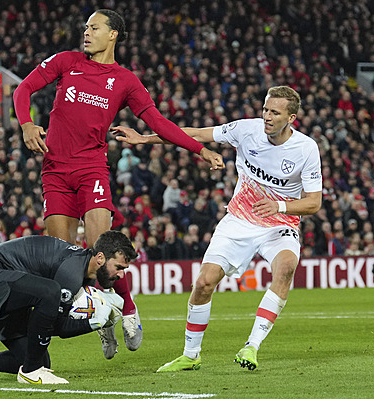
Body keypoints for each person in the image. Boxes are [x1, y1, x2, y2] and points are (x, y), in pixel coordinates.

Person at [12, 8, 225, 358]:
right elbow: (24, 88)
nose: (86, 32)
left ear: (113, 34)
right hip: (55, 172)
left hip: (91, 169)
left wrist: (199, 150)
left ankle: (127, 309)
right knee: (63, 262)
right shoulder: (66, 61)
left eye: (94, 27)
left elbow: (158, 122)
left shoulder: (125, 80)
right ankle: (102, 319)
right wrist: (26, 124)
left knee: (103, 250)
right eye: (85, 27)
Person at [114, 86, 323, 371]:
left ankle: (251, 347)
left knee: (286, 268)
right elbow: (195, 133)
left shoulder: (306, 148)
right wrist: (144, 139)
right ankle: (191, 355)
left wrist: (281, 207)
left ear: (292, 118)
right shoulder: (246, 130)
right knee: (203, 284)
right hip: (239, 219)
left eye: (275, 112)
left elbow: (313, 203)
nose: (267, 116)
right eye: (265, 109)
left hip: (279, 223)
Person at [0, 230, 137, 384]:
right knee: (50, 292)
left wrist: (95, 322)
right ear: (100, 258)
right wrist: (94, 322)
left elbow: (49, 324)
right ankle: (30, 373)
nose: (121, 275)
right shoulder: (72, 273)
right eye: (119, 267)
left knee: (39, 358)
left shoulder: (82, 270)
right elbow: (56, 325)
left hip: (6, 282)